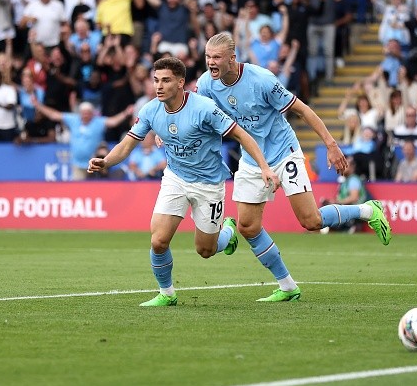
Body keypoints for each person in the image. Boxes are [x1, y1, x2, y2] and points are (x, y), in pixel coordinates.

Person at [196, 32, 392, 302]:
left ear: (233, 58)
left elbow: (303, 110)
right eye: (207, 56)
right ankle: (287, 286)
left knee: (311, 221)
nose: (211, 62)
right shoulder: (206, 84)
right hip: (253, 159)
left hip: (283, 153)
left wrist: (332, 145)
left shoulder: (262, 80)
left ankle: (368, 209)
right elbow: (195, 114)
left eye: (216, 57)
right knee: (248, 226)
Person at [87, 57, 281, 307]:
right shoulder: (149, 110)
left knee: (205, 250)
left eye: (165, 80)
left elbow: (242, 135)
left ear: (180, 83)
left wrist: (264, 167)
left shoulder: (204, 108)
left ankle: (229, 232)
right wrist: (106, 162)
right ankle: (167, 293)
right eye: (155, 80)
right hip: (175, 178)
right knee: (158, 240)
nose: (159, 86)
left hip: (209, 184)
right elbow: (126, 145)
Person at [33, 100, 134, 180]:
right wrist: (38, 105)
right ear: (80, 113)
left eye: (88, 113)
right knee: (78, 190)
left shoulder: (98, 122)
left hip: (94, 164)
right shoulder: (73, 120)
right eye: (83, 113)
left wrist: (126, 113)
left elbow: (113, 122)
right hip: (77, 164)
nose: (85, 115)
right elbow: (54, 115)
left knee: (96, 189)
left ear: (92, 114)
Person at [319, 156, 369, 234]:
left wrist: (337, 202)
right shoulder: (345, 181)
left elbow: (354, 198)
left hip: (354, 212)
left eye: (345, 165)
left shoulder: (353, 180)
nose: (342, 167)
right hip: (346, 210)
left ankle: (351, 226)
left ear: (352, 167)